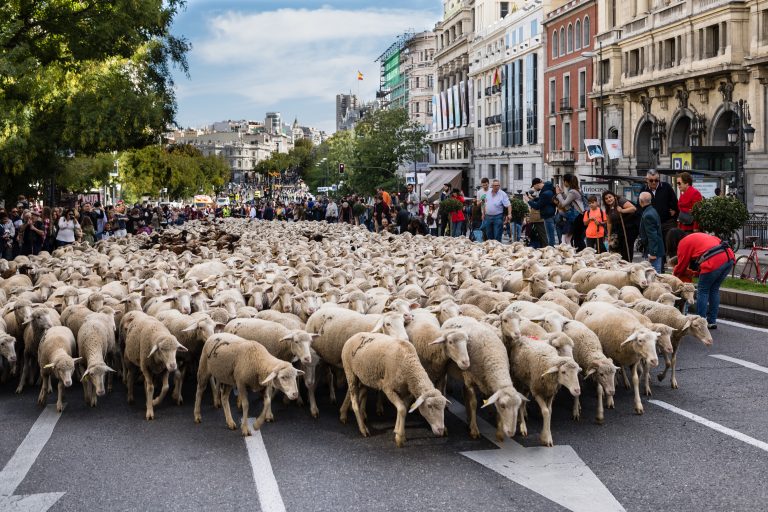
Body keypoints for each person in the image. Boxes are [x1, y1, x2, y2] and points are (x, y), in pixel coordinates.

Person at [670, 231, 735, 329]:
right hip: (729, 257)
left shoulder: (683, 243)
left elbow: (682, 265)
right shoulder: (699, 236)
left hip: (713, 261)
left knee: (703, 290)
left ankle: (700, 321)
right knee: (714, 289)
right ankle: (712, 321)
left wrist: (673, 277)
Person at [602, 191, 639, 262]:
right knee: (619, 248)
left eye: (610, 197)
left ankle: (627, 262)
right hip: (619, 228)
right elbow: (609, 223)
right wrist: (609, 235)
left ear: (614, 197)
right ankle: (622, 263)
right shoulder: (608, 208)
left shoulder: (620, 201)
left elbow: (633, 209)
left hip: (630, 227)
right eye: (606, 198)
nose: (608, 199)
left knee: (626, 247)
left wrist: (622, 210)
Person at [555, 174, 585, 250]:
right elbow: (569, 200)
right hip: (580, 216)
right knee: (576, 237)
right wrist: (562, 193)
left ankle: (581, 252)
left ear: (566, 181)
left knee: (577, 238)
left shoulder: (572, 191)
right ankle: (578, 251)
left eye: (563, 181)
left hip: (576, 216)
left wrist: (558, 194)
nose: (563, 183)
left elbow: (564, 203)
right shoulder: (577, 190)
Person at [638, 191, 664, 273]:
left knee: (653, 275)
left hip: (652, 251)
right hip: (655, 249)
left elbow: (652, 236)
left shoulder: (648, 215)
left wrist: (653, 253)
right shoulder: (652, 210)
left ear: (641, 201)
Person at [527, 179, 557, 246]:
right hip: (551, 214)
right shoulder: (549, 190)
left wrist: (528, 201)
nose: (533, 188)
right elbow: (544, 201)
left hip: (547, 215)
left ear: (536, 184)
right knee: (550, 236)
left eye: (533, 186)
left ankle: (550, 252)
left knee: (550, 237)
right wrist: (534, 199)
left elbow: (537, 206)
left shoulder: (545, 193)